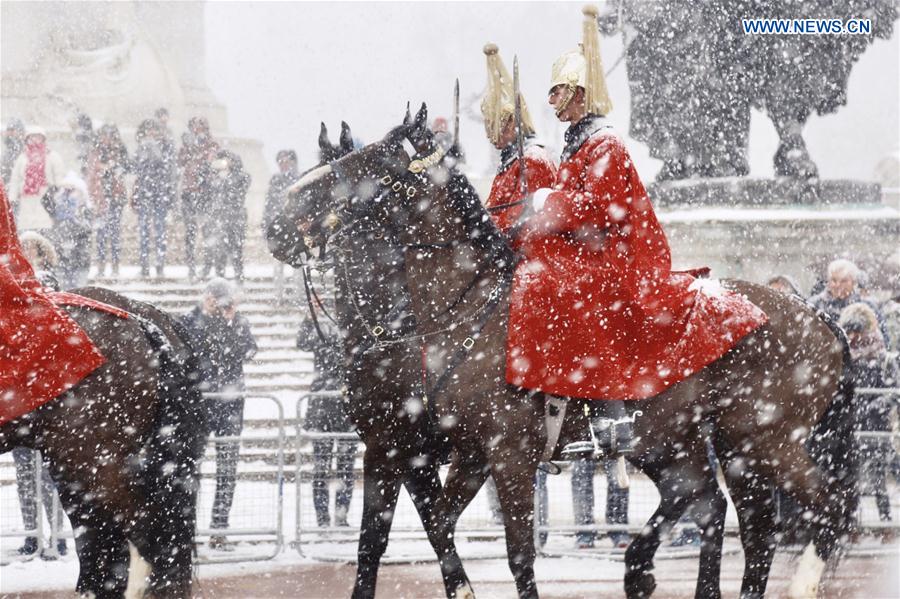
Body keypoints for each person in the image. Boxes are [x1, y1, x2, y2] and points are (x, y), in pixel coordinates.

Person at [506, 6, 767, 455]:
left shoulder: (605, 143)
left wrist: (552, 202)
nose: (550, 102)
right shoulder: (580, 143)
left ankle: (608, 409)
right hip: (589, 249)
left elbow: (604, 210)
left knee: (572, 289)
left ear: (578, 94)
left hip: (615, 256)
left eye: (557, 93)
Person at [179, 278, 258, 549]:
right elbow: (191, 354)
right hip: (199, 404)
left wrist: (230, 321)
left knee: (228, 469)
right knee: (190, 468)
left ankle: (219, 528)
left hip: (231, 404)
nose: (217, 305)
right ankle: (186, 531)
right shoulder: (189, 321)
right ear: (206, 297)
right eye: (214, 299)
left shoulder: (237, 321)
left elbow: (248, 350)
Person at [296, 294, 358, 528]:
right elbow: (302, 342)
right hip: (322, 405)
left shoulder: (351, 332)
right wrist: (310, 315)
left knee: (345, 466)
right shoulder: (320, 330)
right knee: (321, 466)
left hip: (344, 405)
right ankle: (323, 517)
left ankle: (341, 515)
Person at [839, 302, 898, 522]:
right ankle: (851, 519)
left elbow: (893, 391)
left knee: (877, 474)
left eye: (858, 330)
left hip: (875, 424)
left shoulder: (883, 358)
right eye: (850, 330)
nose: (853, 336)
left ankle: (884, 517)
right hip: (849, 424)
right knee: (849, 475)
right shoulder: (842, 355)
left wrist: (870, 407)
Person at [133, 119, 176, 277]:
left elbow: (167, 167)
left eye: (154, 130)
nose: (151, 133)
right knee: (144, 231)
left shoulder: (165, 147)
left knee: (160, 232)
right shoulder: (141, 147)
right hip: (146, 193)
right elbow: (136, 166)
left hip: (160, 194)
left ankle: (159, 264)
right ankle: (144, 264)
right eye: (148, 130)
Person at [87, 124, 130, 277]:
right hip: (100, 198)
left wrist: (113, 168)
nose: (107, 139)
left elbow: (126, 168)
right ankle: (101, 266)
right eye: (104, 136)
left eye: (109, 136)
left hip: (116, 197)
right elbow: (91, 174)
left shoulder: (119, 151)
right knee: (101, 234)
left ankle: (115, 265)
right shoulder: (96, 153)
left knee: (114, 233)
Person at [809, 258, 888, 339]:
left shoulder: (867, 306)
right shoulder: (815, 305)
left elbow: (883, 338)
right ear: (828, 281)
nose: (838, 285)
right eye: (834, 280)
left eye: (843, 281)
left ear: (853, 282)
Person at [178, 117, 217, 281]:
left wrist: (205, 157)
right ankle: (192, 268)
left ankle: (207, 267)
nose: (197, 130)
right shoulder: (187, 145)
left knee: (207, 234)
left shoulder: (211, 145)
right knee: (190, 235)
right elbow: (180, 161)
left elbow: (213, 163)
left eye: (200, 127)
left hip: (205, 194)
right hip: (189, 193)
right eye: (194, 127)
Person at [203, 150, 250, 281]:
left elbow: (241, 186)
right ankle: (219, 278)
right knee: (220, 251)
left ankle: (239, 278)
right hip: (219, 220)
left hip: (235, 219)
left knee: (236, 250)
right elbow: (207, 191)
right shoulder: (217, 178)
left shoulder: (240, 177)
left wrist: (230, 172)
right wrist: (212, 167)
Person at [8, 126, 65, 229]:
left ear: (43, 139)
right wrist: (12, 197)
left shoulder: (51, 156)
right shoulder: (22, 157)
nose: (35, 140)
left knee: (44, 224)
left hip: (45, 196)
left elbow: (59, 175)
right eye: (32, 137)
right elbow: (15, 179)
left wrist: (57, 189)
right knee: (27, 225)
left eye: (38, 137)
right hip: (26, 198)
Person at [43, 172, 93, 289]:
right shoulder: (59, 203)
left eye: (72, 189)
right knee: (65, 284)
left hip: (79, 256)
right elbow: (46, 201)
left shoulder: (84, 208)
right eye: (66, 189)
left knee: (78, 285)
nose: (68, 192)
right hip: (63, 256)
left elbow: (86, 230)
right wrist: (54, 187)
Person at [265, 150, 301, 303]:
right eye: (281, 162)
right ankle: (278, 296)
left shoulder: (299, 180)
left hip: (296, 231)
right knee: (278, 266)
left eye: (286, 162)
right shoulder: (275, 181)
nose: (283, 165)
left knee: (298, 266)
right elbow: (268, 207)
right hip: (278, 231)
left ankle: (299, 297)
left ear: (293, 163)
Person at [571, 455, 629, 549]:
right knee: (581, 480)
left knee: (619, 479)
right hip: (585, 442)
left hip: (614, 442)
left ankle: (619, 530)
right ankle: (584, 532)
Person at [2, 118, 26, 186]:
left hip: (20, 189)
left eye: (12, 130)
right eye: (8, 130)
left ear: (20, 132)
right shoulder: (7, 150)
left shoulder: (23, 151)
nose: (10, 132)